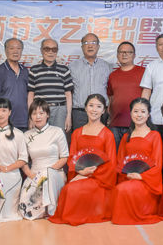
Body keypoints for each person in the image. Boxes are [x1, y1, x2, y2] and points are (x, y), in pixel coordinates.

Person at [50, 94, 116, 225]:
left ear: (104, 110)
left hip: (100, 179)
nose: (94, 110)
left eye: (98, 107)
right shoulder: (77, 133)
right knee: (68, 189)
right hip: (80, 174)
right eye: (91, 106)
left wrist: (90, 173)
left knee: (73, 189)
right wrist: (80, 172)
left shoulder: (107, 134)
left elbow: (111, 163)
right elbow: (72, 158)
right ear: (85, 108)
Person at [111, 97, 163, 225]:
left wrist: (141, 176)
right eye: (135, 111)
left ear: (148, 114)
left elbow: (157, 164)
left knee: (124, 189)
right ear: (130, 114)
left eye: (143, 111)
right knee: (120, 188)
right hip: (128, 178)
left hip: (147, 181)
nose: (139, 115)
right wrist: (128, 175)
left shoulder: (154, 135)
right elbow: (120, 162)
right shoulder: (126, 137)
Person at [19, 98, 70, 220]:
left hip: (54, 173)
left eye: (41, 113)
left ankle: (49, 209)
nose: (38, 117)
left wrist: (47, 172)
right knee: (25, 205)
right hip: (34, 175)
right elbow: (23, 161)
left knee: (46, 183)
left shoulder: (57, 131)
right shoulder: (26, 135)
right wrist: (31, 175)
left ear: (47, 114)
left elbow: (64, 157)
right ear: (30, 116)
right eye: (34, 113)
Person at [27, 38, 74, 132]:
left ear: (57, 51)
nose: (50, 52)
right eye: (47, 49)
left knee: (58, 137)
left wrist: (68, 116)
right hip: (40, 110)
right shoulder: (34, 70)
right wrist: (31, 116)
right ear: (41, 50)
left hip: (60, 110)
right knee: (40, 137)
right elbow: (31, 95)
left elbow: (68, 95)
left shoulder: (64, 70)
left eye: (54, 49)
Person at [68, 33, 112, 131]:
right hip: (79, 113)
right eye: (86, 43)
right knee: (79, 139)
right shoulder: (72, 67)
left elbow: (111, 92)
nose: (90, 46)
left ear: (98, 46)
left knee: (100, 139)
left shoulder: (107, 67)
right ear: (82, 47)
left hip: (101, 113)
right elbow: (69, 92)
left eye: (93, 42)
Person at [106, 41, 145, 146]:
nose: (124, 54)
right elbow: (111, 96)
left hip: (136, 123)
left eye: (128, 52)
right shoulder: (113, 75)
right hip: (115, 123)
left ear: (134, 55)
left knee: (133, 154)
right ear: (117, 55)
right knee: (116, 153)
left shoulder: (144, 72)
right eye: (121, 52)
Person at [0, 38, 29, 129]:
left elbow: (29, 95)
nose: (15, 51)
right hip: (5, 122)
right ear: (5, 51)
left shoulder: (25, 71)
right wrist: (0, 119)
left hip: (23, 121)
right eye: (11, 48)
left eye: (18, 48)